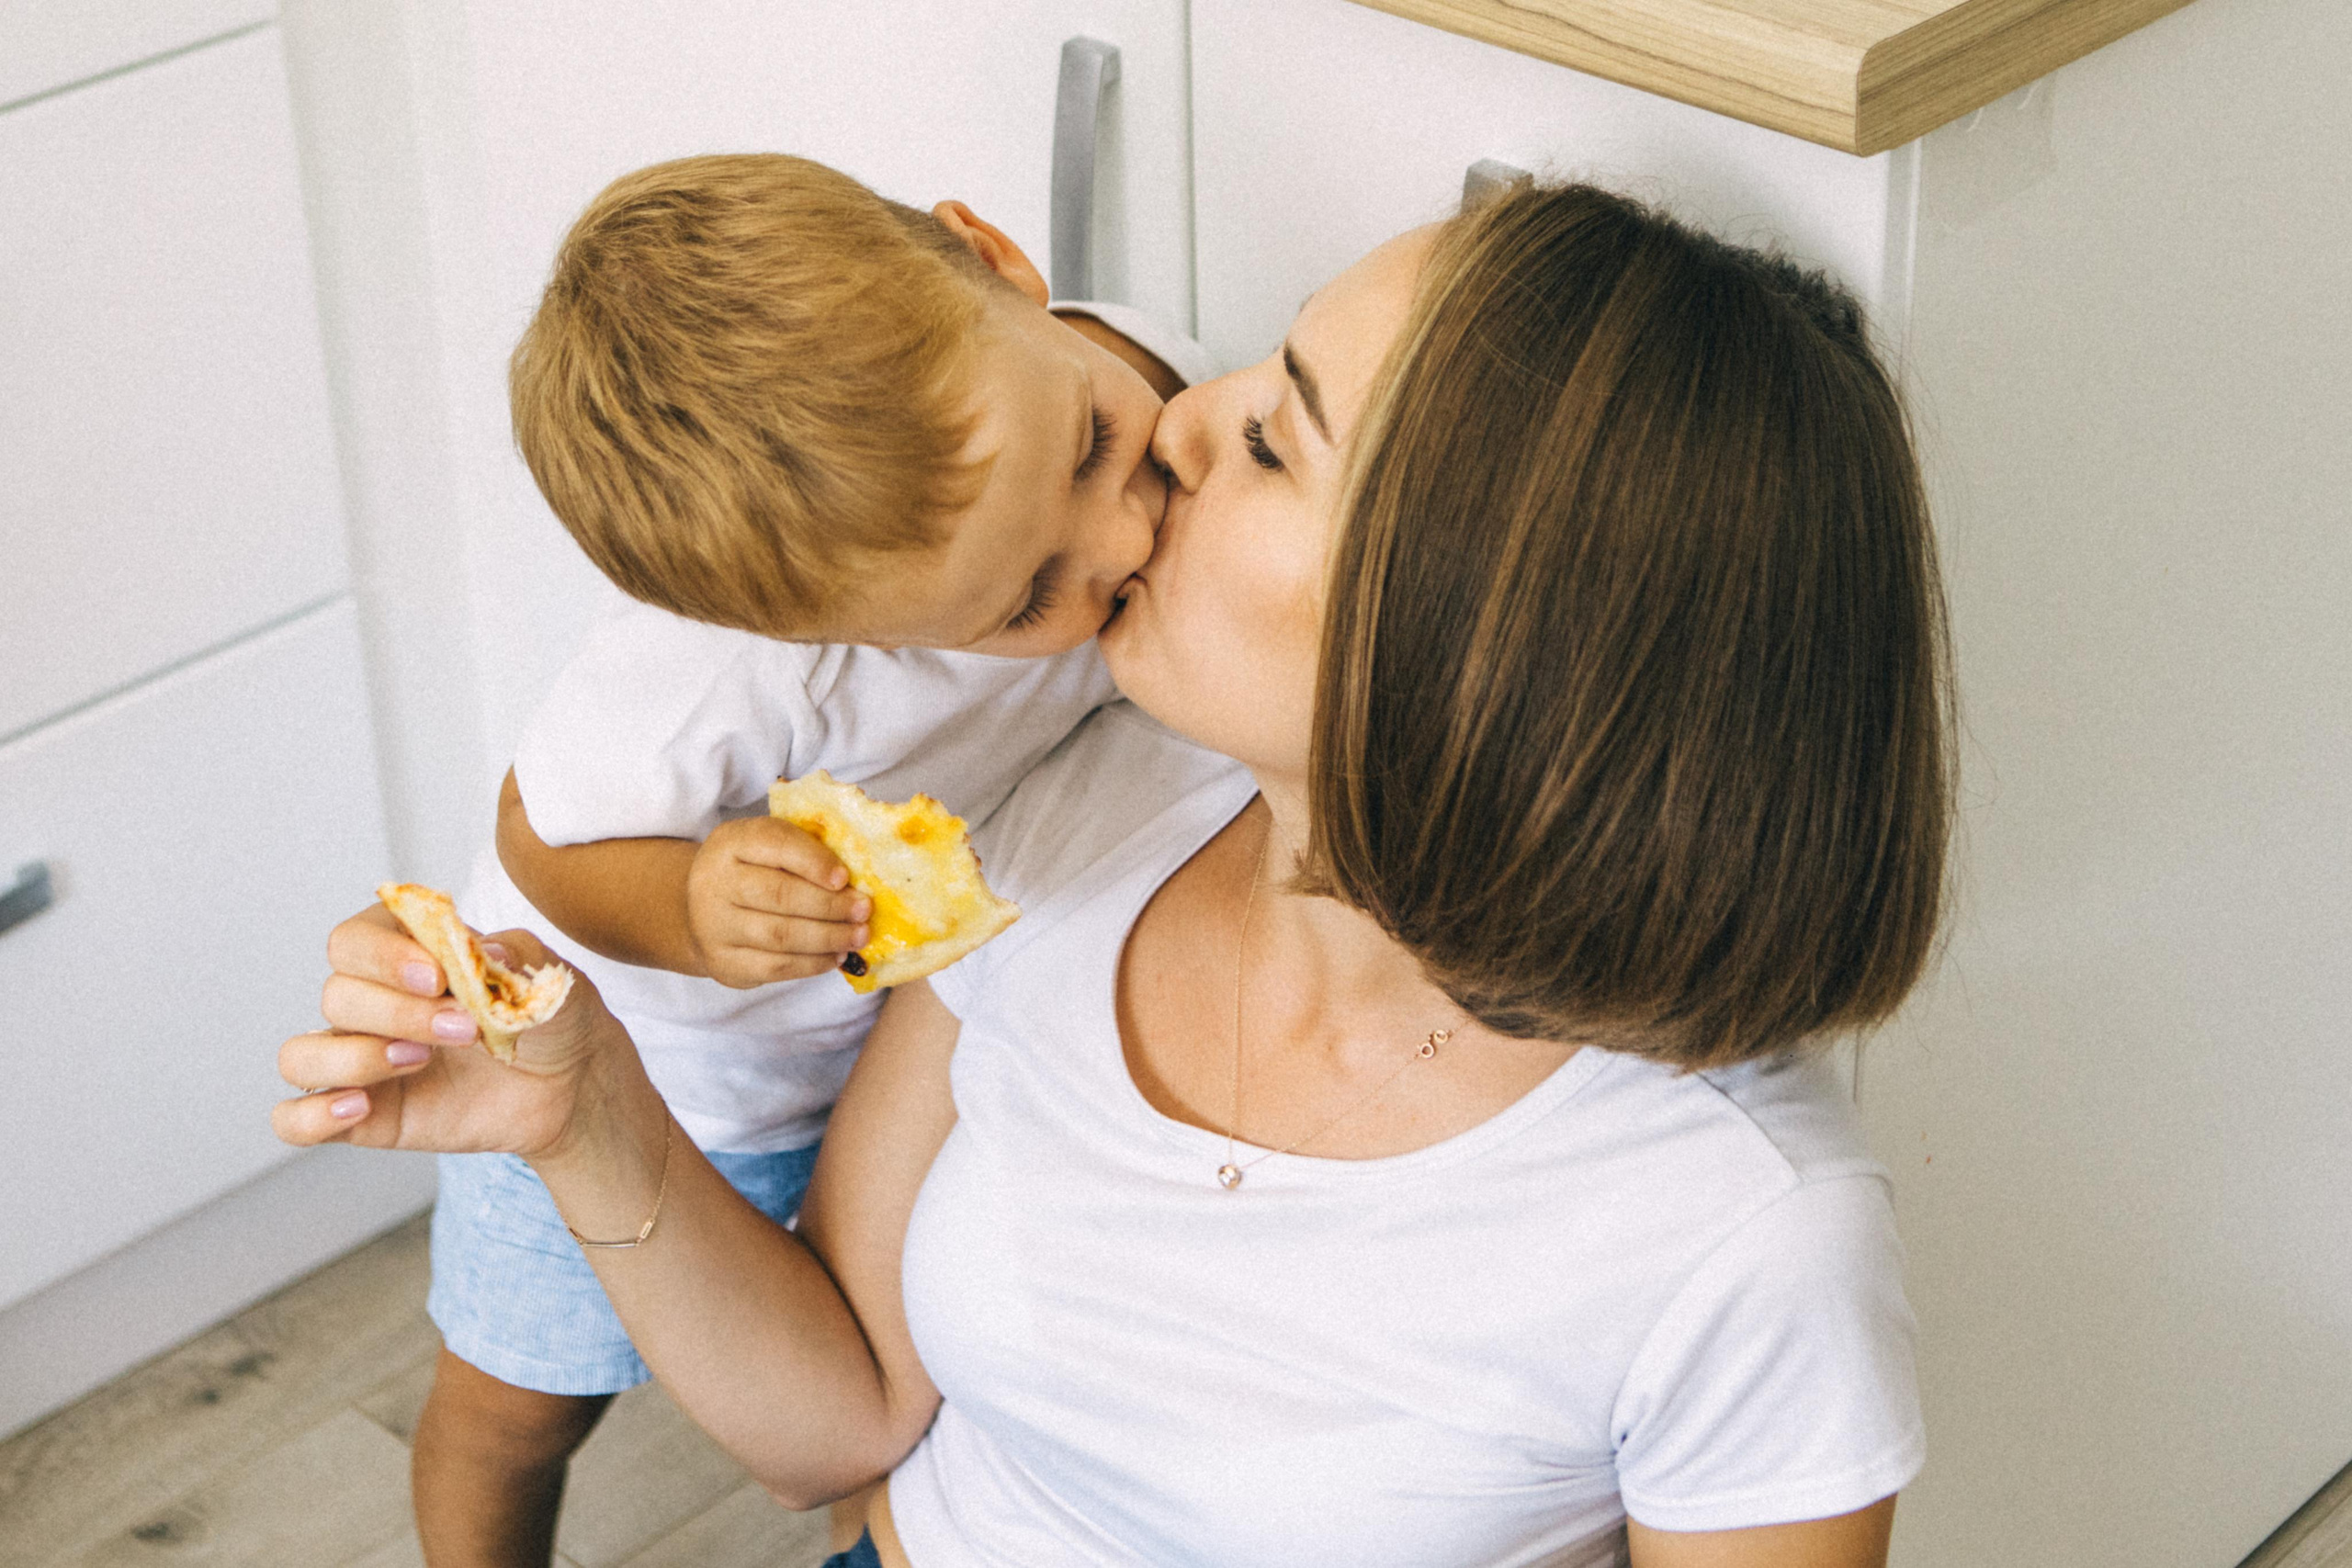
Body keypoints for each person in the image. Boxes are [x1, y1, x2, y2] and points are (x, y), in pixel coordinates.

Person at [277, 181, 1951, 1568]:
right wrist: (574, 1108)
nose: (1191, 410)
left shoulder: (1738, 1237)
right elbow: (843, 1422)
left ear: (1470, 642)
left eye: (1281, 441)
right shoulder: (1060, 824)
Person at [413, 152, 1213, 1567]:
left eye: (1094, 446)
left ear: (997, 262)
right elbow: (534, 836)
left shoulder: (1163, 375)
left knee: (894, 1392)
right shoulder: (712, 677)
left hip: (883, 1048)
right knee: (518, 1406)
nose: (1126, 532)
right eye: (1028, 596)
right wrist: (687, 904)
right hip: (663, 1068)